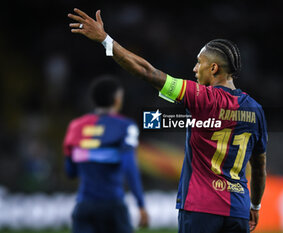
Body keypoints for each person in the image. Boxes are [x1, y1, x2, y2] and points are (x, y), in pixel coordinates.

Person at [68, 8, 267, 233]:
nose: (194, 69)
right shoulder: (255, 110)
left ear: (213, 68)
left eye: (199, 62)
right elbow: (259, 167)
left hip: (201, 207)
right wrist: (255, 205)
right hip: (238, 211)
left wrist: (105, 40)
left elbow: (147, 72)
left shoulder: (200, 96)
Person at [63, 76, 149, 233]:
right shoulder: (125, 126)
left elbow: (70, 171)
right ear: (117, 100)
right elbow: (129, 167)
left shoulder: (75, 126)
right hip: (113, 206)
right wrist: (141, 204)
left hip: (84, 206)